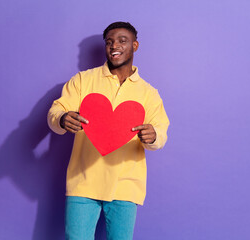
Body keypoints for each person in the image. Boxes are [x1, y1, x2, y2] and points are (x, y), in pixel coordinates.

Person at [47, 21, 169, 240]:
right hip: (83, 181)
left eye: (122, 41)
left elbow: (161, 133)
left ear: (135, 45)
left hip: (126, 185)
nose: (115, 46)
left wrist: (153, 136)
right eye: (109, 42)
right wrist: (63, 119)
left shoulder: (149, 93)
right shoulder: (83, 80)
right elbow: (56, 111)